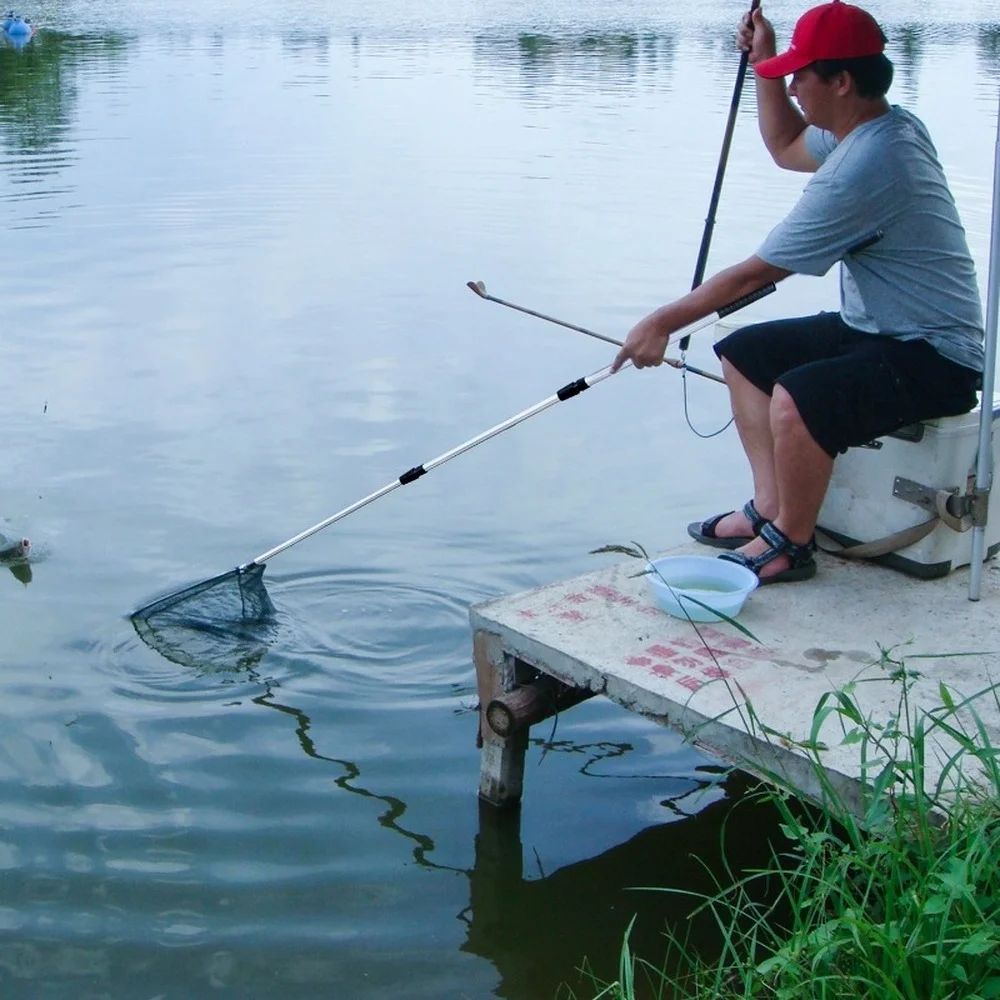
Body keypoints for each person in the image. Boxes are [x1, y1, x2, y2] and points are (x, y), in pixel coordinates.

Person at [611, 0, 985, 584]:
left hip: (939, 356)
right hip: (877, 331)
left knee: (799, 395)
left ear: (841, 81)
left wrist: (661, 322)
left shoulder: (870, 164)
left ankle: (791, 541)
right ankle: (769, 507)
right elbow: (787, 145)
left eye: (799, 76)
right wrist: (764, 59)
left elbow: (758, 273)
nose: (791, 87)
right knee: (746, 353)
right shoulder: (876, 127)